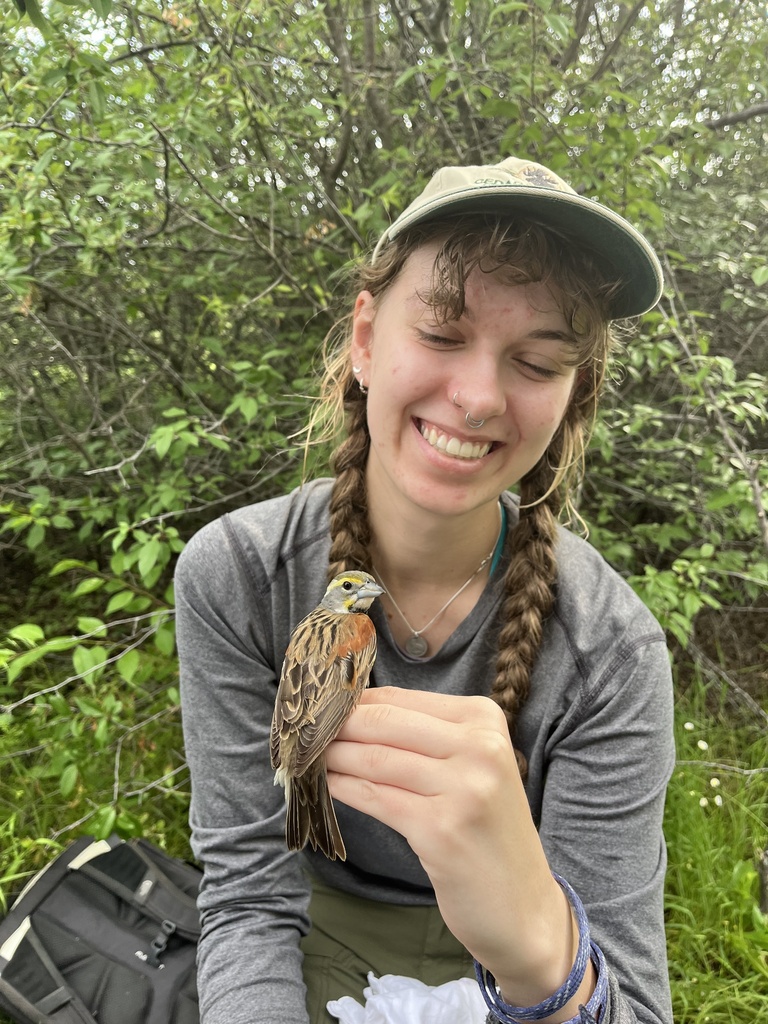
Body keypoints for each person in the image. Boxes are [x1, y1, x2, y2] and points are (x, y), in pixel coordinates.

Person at [175, 156, 675, 1024]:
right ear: (365, 338)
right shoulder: (237, 576)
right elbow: (249, 898)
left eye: (538, 360)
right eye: (442, 336)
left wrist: (541, 959)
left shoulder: (614, 655)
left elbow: (630, 997)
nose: (478, 398)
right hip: (306, 937)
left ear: (573, 394)